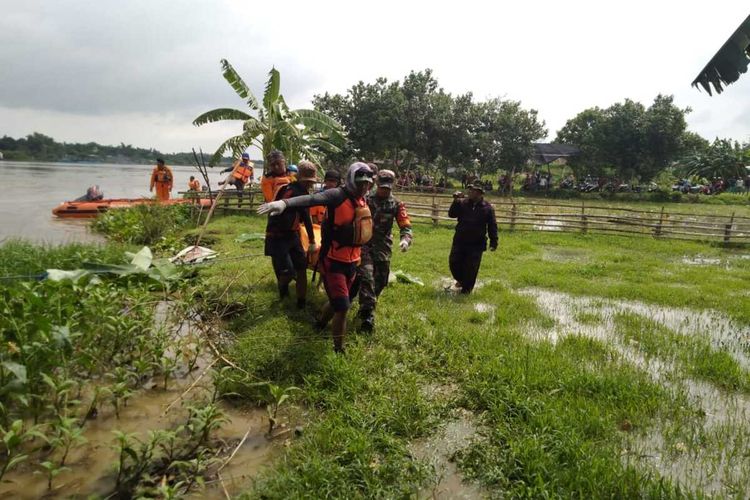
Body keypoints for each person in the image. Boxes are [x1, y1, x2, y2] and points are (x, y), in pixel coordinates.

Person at [258, 162, 375, 353]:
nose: (363, 187)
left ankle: (320, 322)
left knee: (340, 301)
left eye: (367, 184)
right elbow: (312, 199)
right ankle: (339, 351)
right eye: (360, 183)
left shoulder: (363, 200)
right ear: (352, 180)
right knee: (343, 308)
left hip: (354, 262)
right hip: (333, 261)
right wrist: (284, 203)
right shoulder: (337, 195)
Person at [357, 169, 412, 331]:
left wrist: (405, 239)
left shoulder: (396, 204)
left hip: (383, 248)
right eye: (382, 187)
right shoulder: (364, 199)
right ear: (376, 184)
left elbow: (405, 224)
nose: (385, 191)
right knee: (367, 278)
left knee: (381, 281)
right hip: (364, 245)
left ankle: (368, 304)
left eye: (388, 188)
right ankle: (367, 315)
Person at [263, 161, 319, 309]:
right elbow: (304, 216)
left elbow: (305, 215)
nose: (309, 184)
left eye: (311, 182)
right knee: (289, 271)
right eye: (307, 182)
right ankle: (282, 290)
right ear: (299, 178)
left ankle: (301, 302)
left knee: (301, 268)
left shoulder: (304, 193)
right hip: (278, 235)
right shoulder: (289, 191)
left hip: (293, 235)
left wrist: (312, 240)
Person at [448, 183, 498, 294]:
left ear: (480, 193)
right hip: (460, 240)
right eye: (469, 190)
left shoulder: (488, 208)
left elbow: (492, 225)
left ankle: (466, 291)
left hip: (477, 244)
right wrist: (455, 201)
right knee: (454, 262)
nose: (470, 192)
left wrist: (494, 241)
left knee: (471, 268)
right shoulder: (462, 203)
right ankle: (461, 281)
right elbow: (451, 214)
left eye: (473, 190)